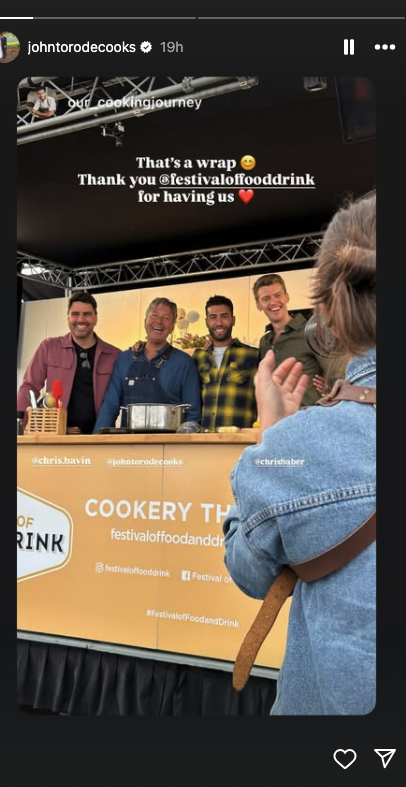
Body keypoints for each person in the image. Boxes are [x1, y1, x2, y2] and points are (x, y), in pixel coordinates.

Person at [223, 190, 376, 715]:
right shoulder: (261, 342)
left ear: (330, 315)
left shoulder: (298, 448)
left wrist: (275, 440)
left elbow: (248, 569)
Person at [17, 290, 121, 434]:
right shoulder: (49, 347)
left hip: (98, 439)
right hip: (55, 437)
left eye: (87, 314)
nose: (81, 319)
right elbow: (29, 387)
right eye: (75, 314)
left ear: (96, 318)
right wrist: (20, 423)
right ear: (68, 317)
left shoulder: (114, 355)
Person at [93, 297, 201, 431]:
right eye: (154, 315)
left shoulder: (184, 363)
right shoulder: (124, 360)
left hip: (169, 447)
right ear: (145, 322)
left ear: (172, 326)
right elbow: (110, 406)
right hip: (128, 446)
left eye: (166, 318)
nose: (159, 321)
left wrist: (186, 445)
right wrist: (97, 440)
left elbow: (193, 413)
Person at [253, 273, 326, 405]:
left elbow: (336, 373)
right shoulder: (264, 342)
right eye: (266, 298)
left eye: (277, 295)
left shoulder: (311, 332)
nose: (273, 302)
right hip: (277, 420)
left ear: (287, 297)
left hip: (307, 419)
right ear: (258, 305)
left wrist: (330, 386)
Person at [191, 295, 259, 430]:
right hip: (204, 440)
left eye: (224, 316)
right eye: (213, 317)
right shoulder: (198, 358)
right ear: (206, 322)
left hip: (240, 442)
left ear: (233, 320)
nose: (219, 323)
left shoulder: (254, 355)